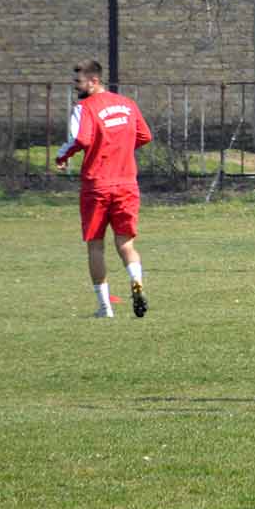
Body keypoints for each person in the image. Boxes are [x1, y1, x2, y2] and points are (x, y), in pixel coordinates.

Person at [54, 60, 153, 319]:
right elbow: (144, 136)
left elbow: (80, 138)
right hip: (127, 183)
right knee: (126, 243)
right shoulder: (128, 104)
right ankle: (137, 283)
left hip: (97, 185)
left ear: (94, 81)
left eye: (78, 82)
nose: (75, 87)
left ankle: (104, 307)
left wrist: (61, 156)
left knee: (95, 246)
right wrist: (120, 148)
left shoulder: (84, 107)